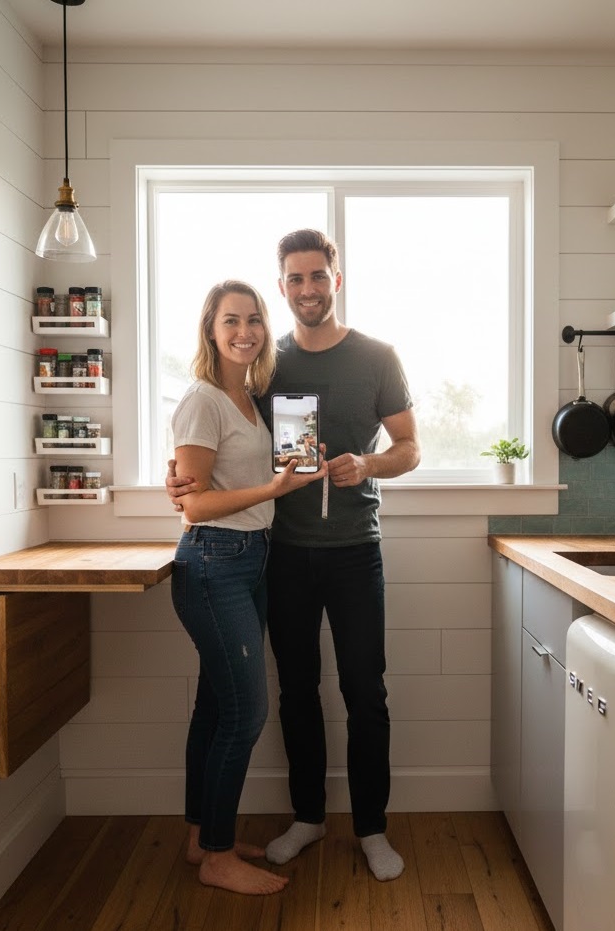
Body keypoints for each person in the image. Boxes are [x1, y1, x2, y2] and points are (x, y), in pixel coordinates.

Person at [169, 229, 420, 881]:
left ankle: (371, 827)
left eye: (317, 276)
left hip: (356, 551)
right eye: (295, 279)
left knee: (365, 691)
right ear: (282, 287)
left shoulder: (378, 357)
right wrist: (180, 482)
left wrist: (369, 464)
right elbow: (221, 440)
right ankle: (307, 816)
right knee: (297, 691)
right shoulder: (265, 363)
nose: (308, 289)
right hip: (279, 555)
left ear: (337, 279)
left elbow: (410, 448)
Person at [170, 279, 327, 895]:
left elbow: (207, 480)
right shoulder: (203, 399)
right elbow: (194, 507)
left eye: (254, 319)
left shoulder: (249, 398)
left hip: (250, 558)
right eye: (231, 321)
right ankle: (217, 857)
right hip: (215, 563)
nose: (245, 332)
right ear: (211, 330)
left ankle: (200, 838)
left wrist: (294, 470)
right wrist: (272, 489)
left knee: (215, 708)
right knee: (246, 713)